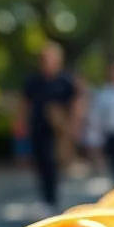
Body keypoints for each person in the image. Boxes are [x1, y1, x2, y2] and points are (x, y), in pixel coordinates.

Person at [20, 41, 81, 214]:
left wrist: (72, 124)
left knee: (53, 162)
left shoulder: (66, 81)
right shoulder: (33, 81)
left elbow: (77, 102)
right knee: (41, 163)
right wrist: (20, 125)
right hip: (38, 127)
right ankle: (46, 198)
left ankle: (52, 199)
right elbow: (25, 104)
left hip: (59, 131)